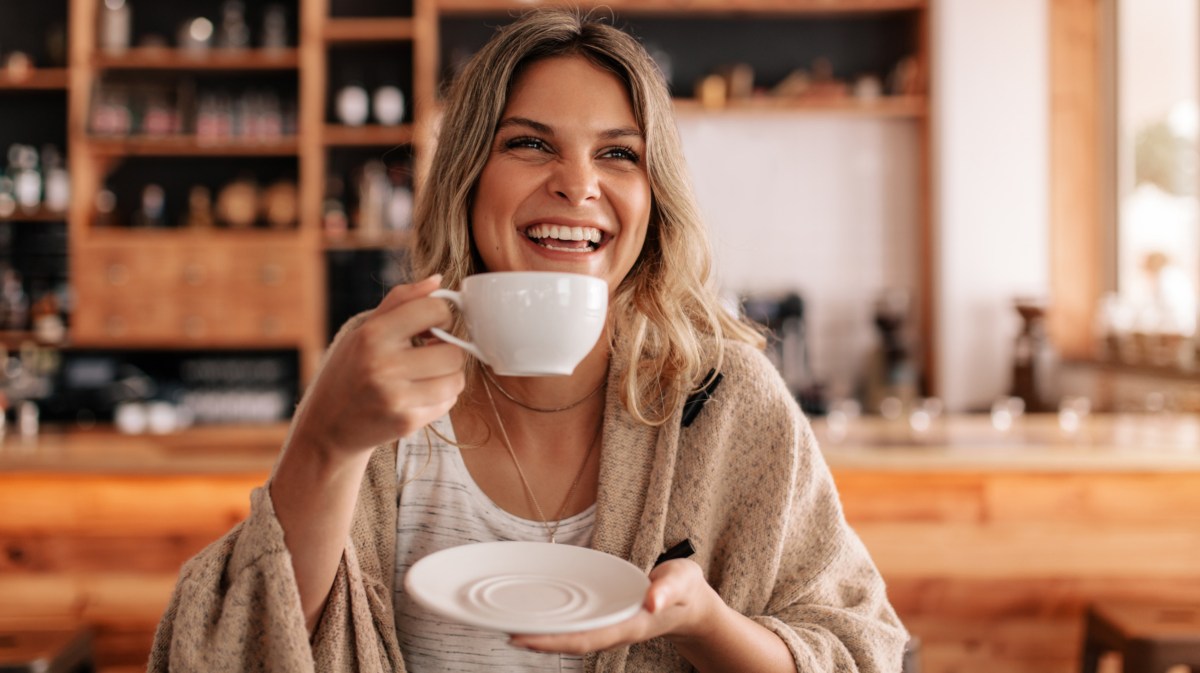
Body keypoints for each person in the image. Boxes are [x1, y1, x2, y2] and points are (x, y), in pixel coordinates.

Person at [149, 8, 908, 672]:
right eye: (530, 144)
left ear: (654, 200)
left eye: (618, 153)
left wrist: (702, 621)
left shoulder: (723, 399)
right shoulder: (385, 391)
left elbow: (861, 650)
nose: (577, 184)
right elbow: (229, 651)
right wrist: (324, 442)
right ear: (469, 175)